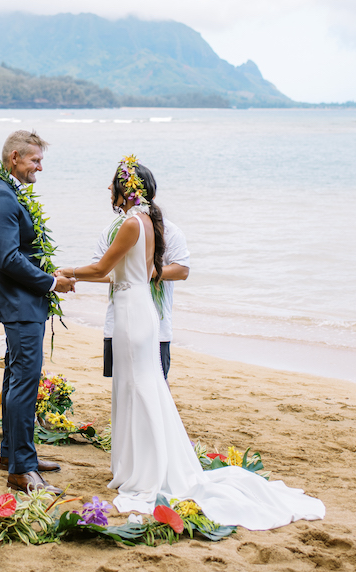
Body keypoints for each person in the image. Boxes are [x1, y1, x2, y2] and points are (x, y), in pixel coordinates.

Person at [58, 156, 325, 529]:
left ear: (126, 189)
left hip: (133, 312)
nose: (107, 188)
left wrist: (64, 271)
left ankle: (146, 472)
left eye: (112, 183)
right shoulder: (147, 222)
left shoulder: (132, 224)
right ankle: (139, 466)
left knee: (140, 388)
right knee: (139, 387)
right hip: (138, 307)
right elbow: (131, 271)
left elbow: (103, 268)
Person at [0, 130, 75, 495]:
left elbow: (22, 251)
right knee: (24, 383)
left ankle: (13, 455)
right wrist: (50, 282)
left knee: (17, 379)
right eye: (35, 160)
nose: (40, 167)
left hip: (24, 301)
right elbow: (7, 258)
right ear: (14, 157)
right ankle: (21, 470)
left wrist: (48, 274)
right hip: (18, 303)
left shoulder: (9, 192)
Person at [91, 192, 189, 380]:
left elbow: (182, 270)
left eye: (114, 186)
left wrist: (141, 272)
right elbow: (99, 269)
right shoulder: (111, 231)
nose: (109, 189)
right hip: (118, 321)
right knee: (122, 382)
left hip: (156, 325)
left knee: (156, 382)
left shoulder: (170, 231)